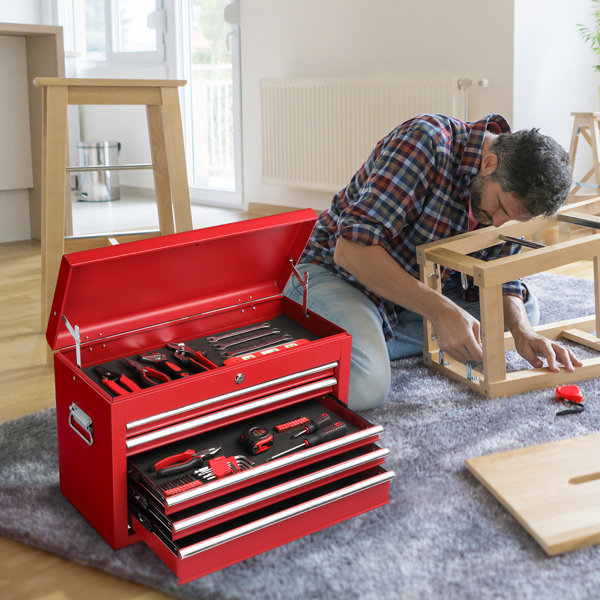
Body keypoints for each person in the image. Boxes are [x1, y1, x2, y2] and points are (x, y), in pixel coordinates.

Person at [284, 113, 582, 411]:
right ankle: (360, 340)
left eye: (512, 219)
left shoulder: (503, 193)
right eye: (500, 208)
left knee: (524, 310)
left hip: (411, 288)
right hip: (336, 273)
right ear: (489, 164)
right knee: (366, 386)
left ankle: (366, 340)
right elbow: (350, 250)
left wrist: (522, 330)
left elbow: (501, 276)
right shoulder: (426, 142)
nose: (499, 223)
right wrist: (440, 311)